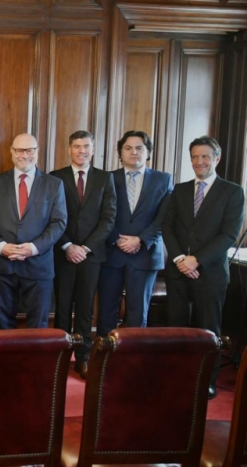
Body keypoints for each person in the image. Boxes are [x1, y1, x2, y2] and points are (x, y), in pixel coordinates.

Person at [162, 135, 245, 400]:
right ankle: (176, 375)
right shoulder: (181, 189)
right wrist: (179, 259)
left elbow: (229, 234)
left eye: (205, 156)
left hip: (210, 273)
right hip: (177, 271)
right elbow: (168, 227)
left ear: (216, 159)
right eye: (195, 157)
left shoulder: (232, 191)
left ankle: (207, 381)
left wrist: (196, 259)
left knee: (208, 329)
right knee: (176, 327)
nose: (199, 161)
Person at [0, 133, 67, 329]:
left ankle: (35, 361)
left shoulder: (53, 184)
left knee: (38, 324)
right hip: (2, 264)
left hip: (38, 263)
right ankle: (6, 360)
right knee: (2, 323)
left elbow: (59, 222)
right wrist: (1, 247)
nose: (24, 155)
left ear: (37, 152)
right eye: (19, 150)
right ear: (12, 152)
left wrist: (34, 248)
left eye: (29, 150)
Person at [49, 131, 116, 379]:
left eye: (86, 146)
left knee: (86, 308)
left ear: (93, 148)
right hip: (63, 252)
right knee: (63, 306)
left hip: (92, 255)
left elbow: (108, 218)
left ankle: (83, 357)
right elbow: (52, 216)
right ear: (69, 149)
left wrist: (85, 248)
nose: (81, 151)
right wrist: (68, 245)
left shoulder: (105, 178)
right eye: (77, 146)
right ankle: (60, 355)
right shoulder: (56, 177)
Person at [97, 131, 173, 336]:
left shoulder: (163, 180)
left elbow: (164, 218)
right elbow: (100, 215)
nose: (134, 152)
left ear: (148, 152)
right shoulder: (107, 179)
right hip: (112, 254)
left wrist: (140, 239)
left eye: (139, 148)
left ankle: (132, 360)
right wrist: (117, 239)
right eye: (128, 148)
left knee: (138, 313)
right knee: (106, 310)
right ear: (120, 153)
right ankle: (104, 358)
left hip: (145, 255)